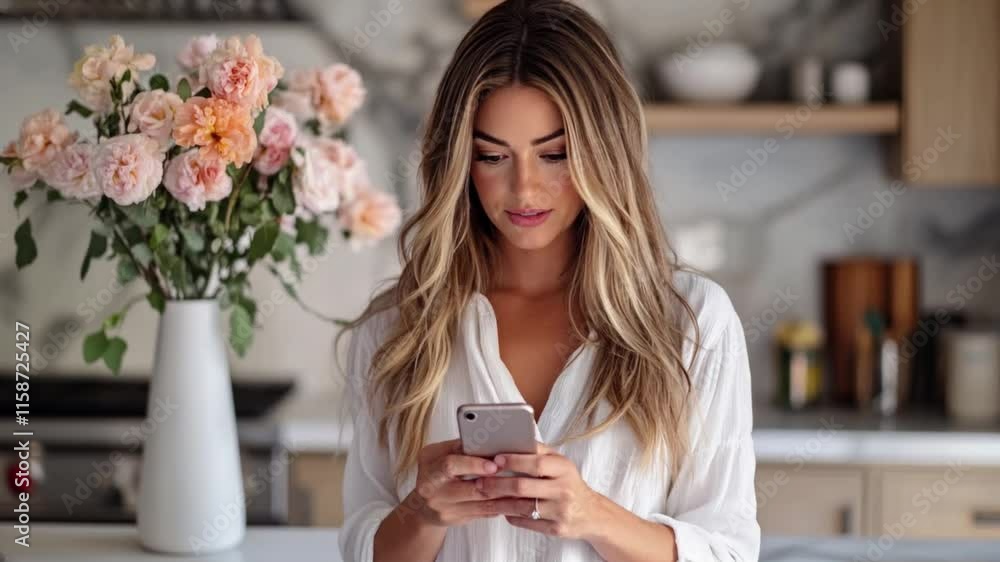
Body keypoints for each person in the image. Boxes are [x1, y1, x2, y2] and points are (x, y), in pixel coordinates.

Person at [337, 1, 759, 560]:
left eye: (554, 154)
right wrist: (422, 512)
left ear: (603, 153)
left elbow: (728, 550)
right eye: (492, 156)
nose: (524, 189)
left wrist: (594, 515)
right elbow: (362, 550)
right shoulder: (399, 328)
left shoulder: (693, 322)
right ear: (461, 162)